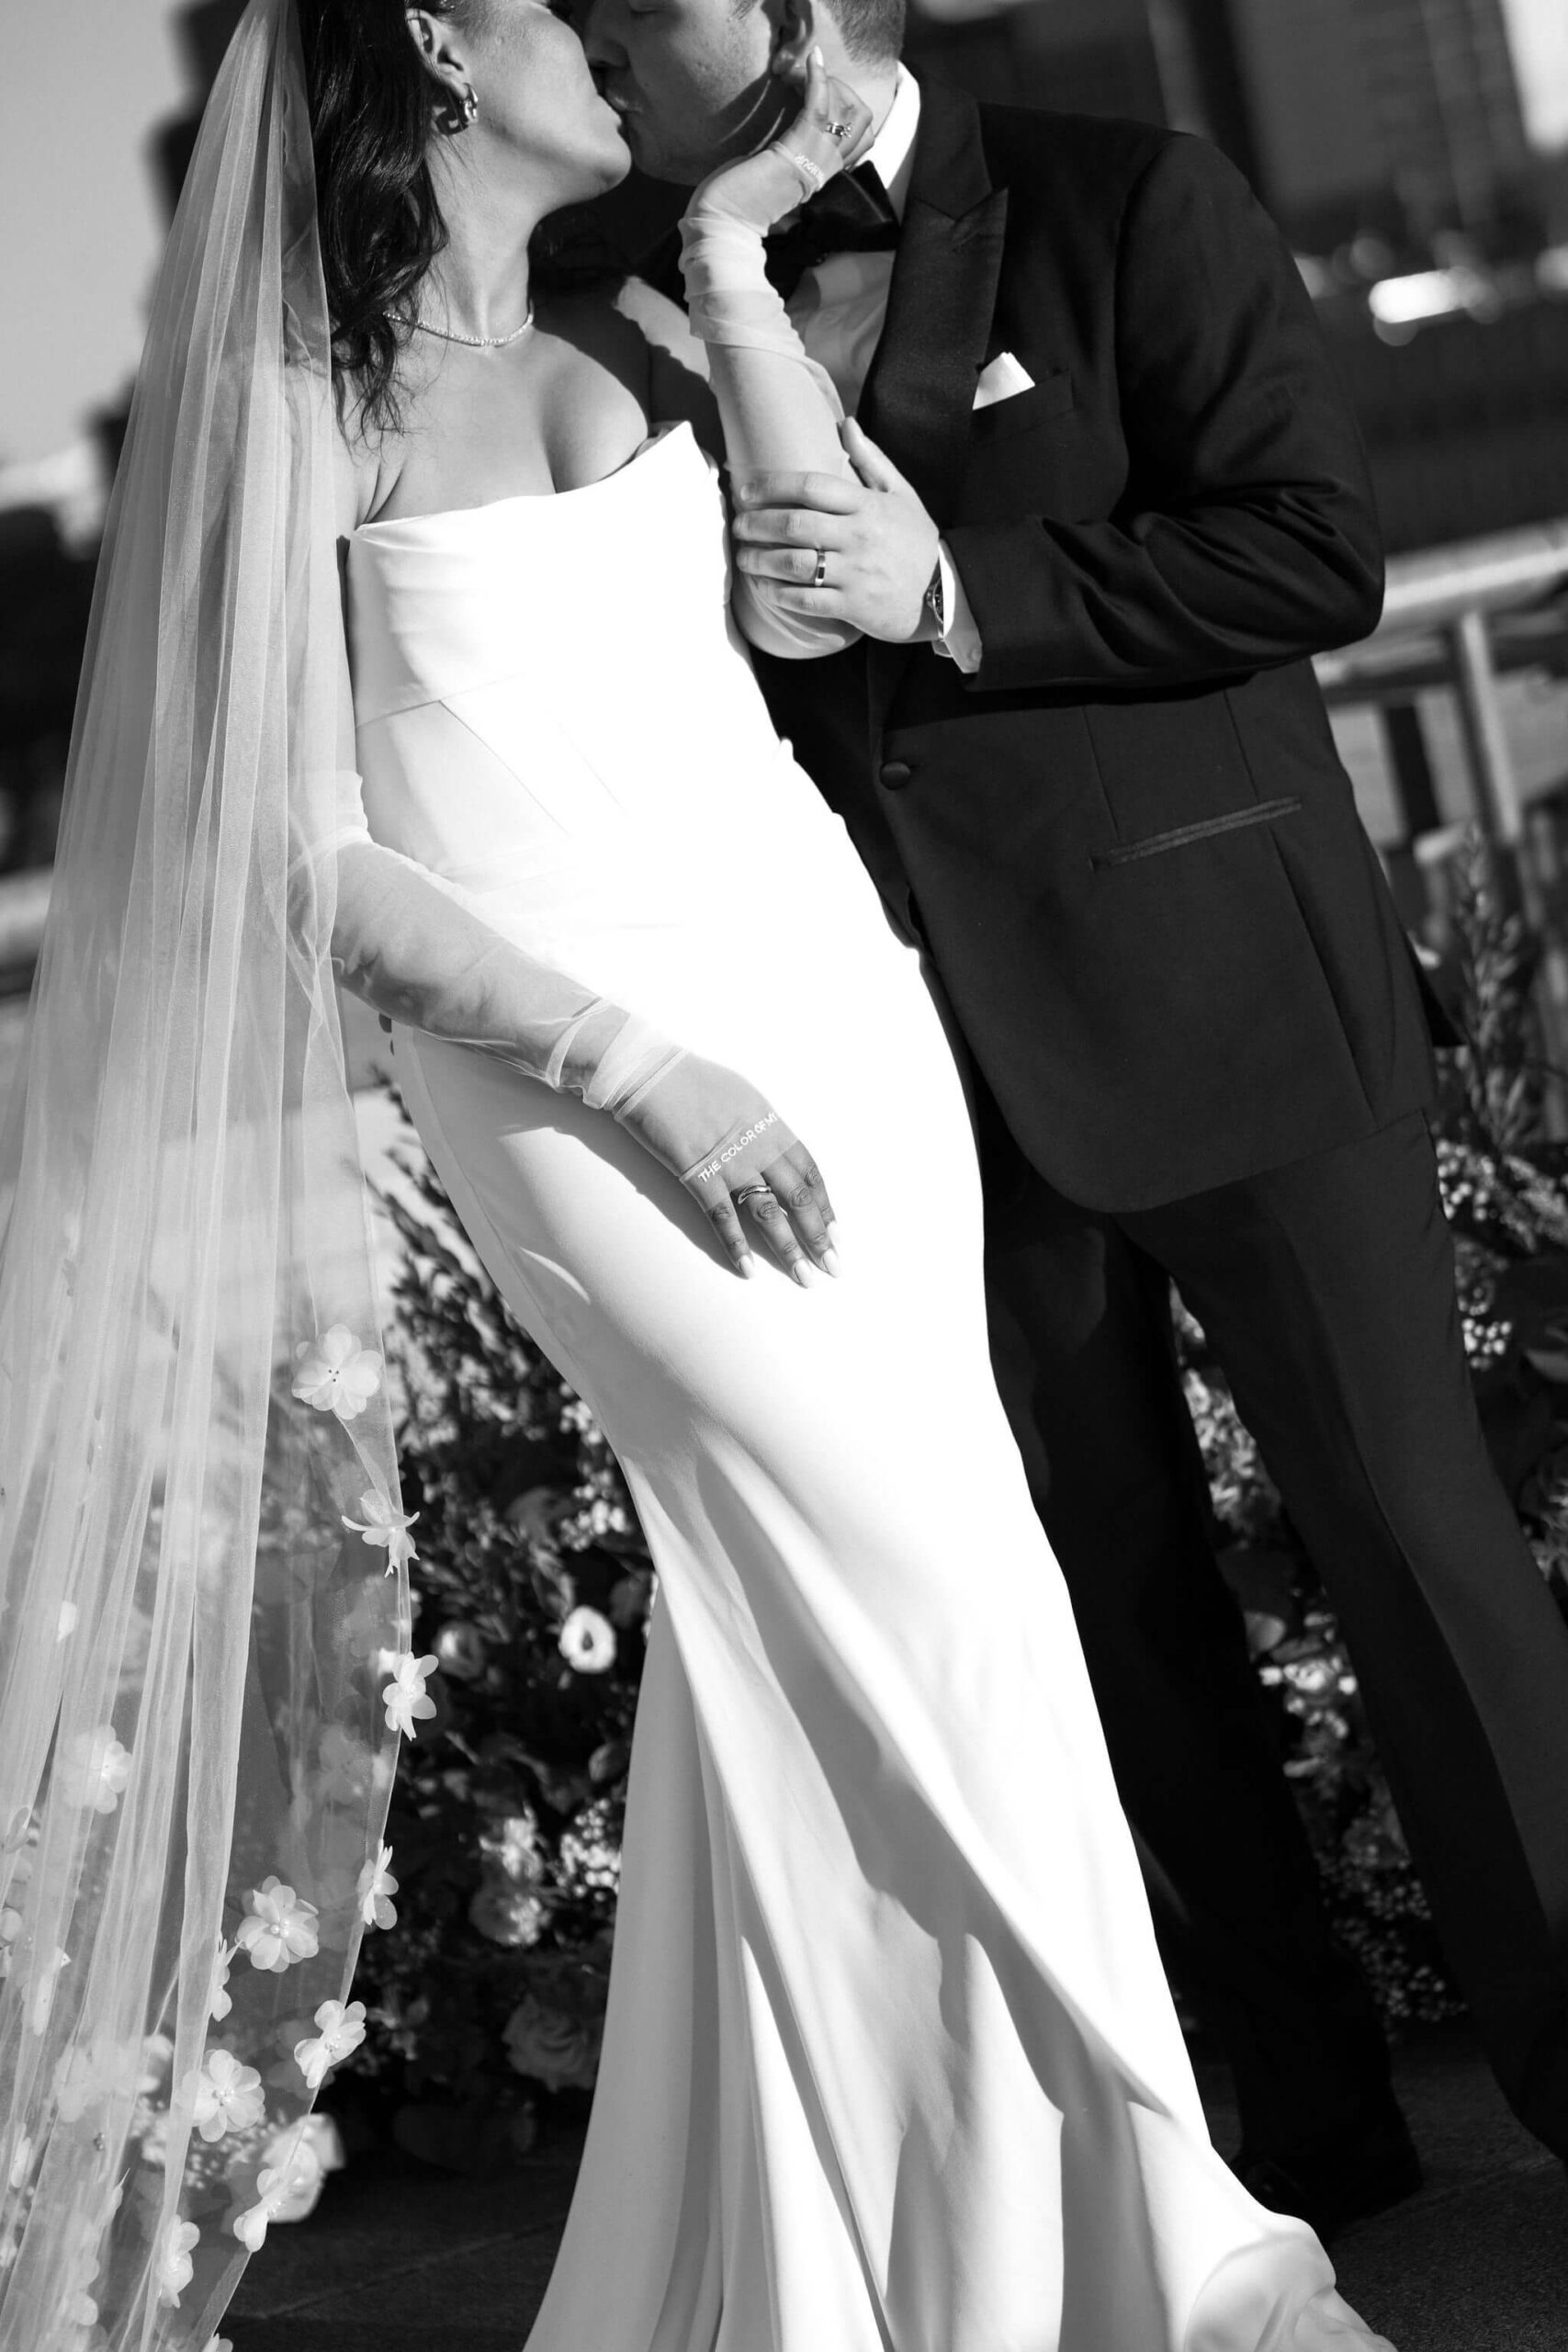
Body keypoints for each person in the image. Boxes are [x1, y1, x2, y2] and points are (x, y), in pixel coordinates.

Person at [0, 2, 1399, 2346]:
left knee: (910, 1620)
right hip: (585, 1091)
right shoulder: (284, 416)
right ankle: (1191, 2259)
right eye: (562, 9)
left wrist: (741, 267)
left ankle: (862, 2255)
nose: (614, 35)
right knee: (935, 1600)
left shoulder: (638, 323)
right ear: (439, 49)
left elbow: (801, 590)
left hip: (831, 1018)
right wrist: (635, 1067)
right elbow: (294, 861)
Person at [583, 0, 1568, 2234]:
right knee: (1099, 1601)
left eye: (635, 13)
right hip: (910, 1075)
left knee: (1413, 1538)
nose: (599, 46)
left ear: (799, 16)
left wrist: (956, 593)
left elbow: (1315, 551)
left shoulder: (1134, 199)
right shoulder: (631, 310)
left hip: (1234, 1006)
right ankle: (1298, 2137)